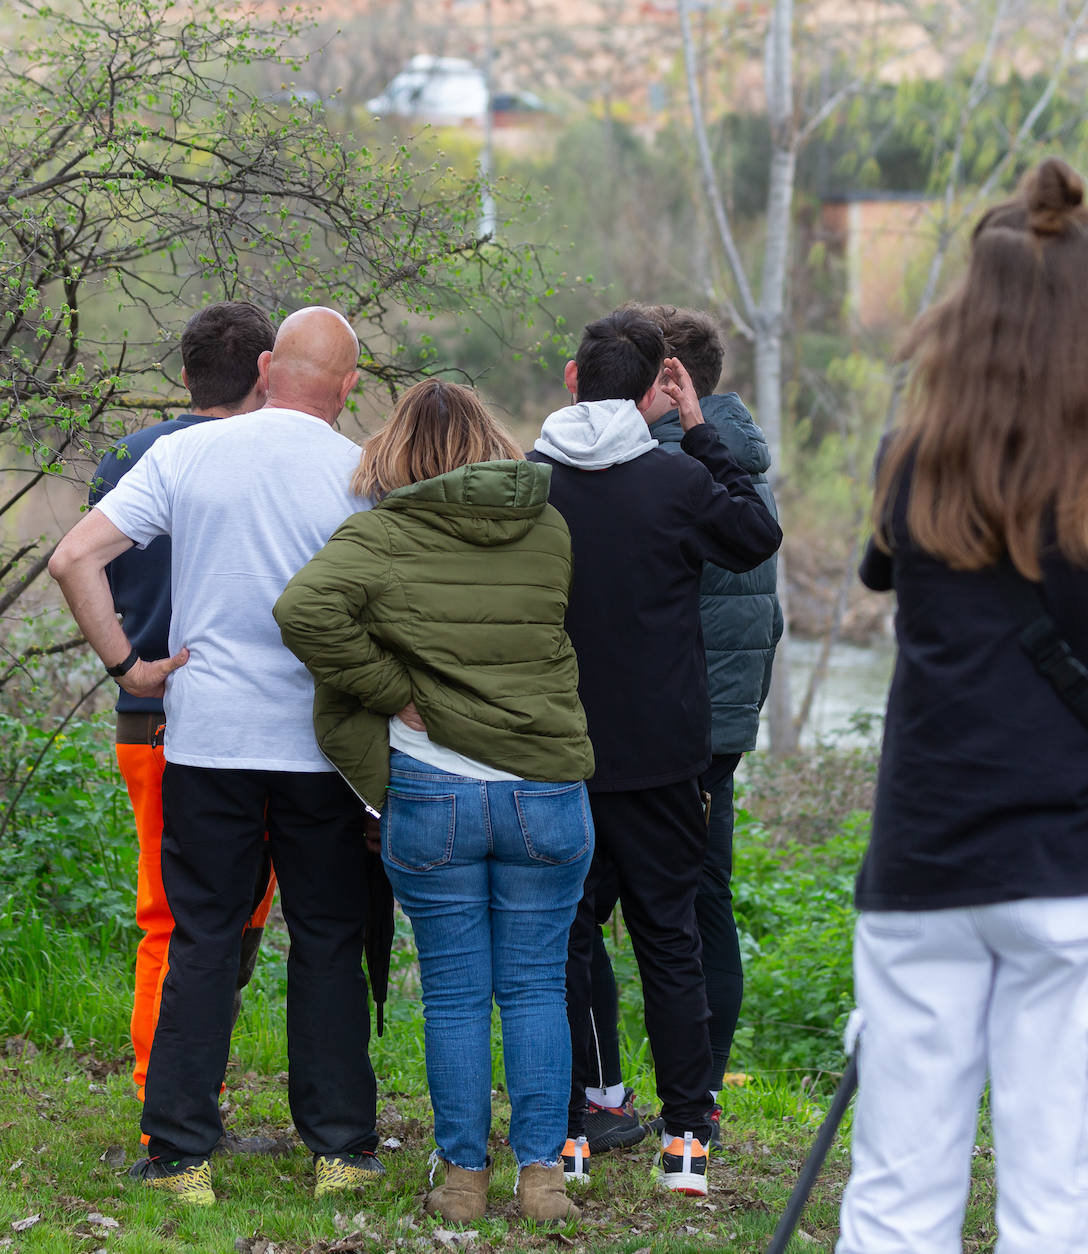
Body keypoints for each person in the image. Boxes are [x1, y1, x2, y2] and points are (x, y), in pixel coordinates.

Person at [835, 159, 1088, 1254]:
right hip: (1069, 871)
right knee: (1058, 1188)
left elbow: (880, 573)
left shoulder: (910, 463)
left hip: (922, 863)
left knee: (897, 1185)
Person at [48, 307, 381, 1206]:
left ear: (271, 367)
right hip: (324, 747)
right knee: (326, 941)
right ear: (348, 388)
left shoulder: (185, 454)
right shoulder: (363, 471)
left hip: (206, 740)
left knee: (201, 938)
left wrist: (129, 665)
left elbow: (74, 557)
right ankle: (342, 1151)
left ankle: (180, 1153)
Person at [273, 379, 595, 1225]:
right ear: (492, 441)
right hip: (546, 789)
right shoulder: (548, 526)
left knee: (454, 993)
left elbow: (302, 610)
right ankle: (542, 1180)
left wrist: (392, 689)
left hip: (434, 790)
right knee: (534, 988)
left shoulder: (380, 535)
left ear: (396, 453)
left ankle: (460, 1181)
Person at [528, 309, 782, 1196]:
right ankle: (685, 1145)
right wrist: (702, 426)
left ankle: (567, 1139)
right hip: (667, 757)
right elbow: (756, 534)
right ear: (654, 391)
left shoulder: (531, 483)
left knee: (563, 942)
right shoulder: (676, 481)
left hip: (560, 751)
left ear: (571, 377)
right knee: (668, 941)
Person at [88, 301, 279, 1121]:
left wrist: (125, 664)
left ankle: (188, 1083)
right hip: (233, 718)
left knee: (194, 916)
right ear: (266, 371)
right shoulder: (262, 460)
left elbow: (90, 569)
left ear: (185, 372)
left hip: (149, 715)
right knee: (196, 917)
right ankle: (162, 1093)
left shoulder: (123, 458)